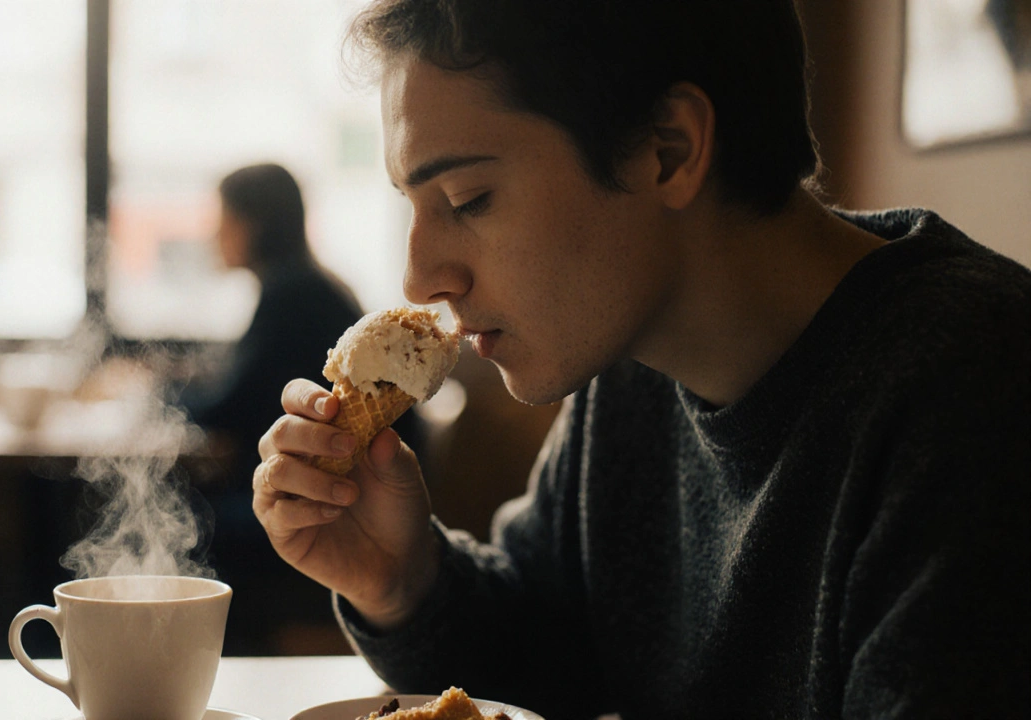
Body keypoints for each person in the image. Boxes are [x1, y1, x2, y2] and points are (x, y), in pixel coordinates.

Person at [250, 1, 1030, 717]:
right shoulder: (629, 365)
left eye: (466, 201)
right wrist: (403, 582)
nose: (420, 278)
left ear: (668, 150)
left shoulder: (977, 398)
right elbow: (548, 657)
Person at [170, 162, 423, 653]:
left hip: (352, 506)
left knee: (191, 523)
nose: (214, 235)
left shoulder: (292, 293)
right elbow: (248, 388)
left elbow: (230, 406)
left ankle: (217, 659)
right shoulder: (308, 284)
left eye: (223, 219)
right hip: (341, 497)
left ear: (252, 224)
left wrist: (153, 397)